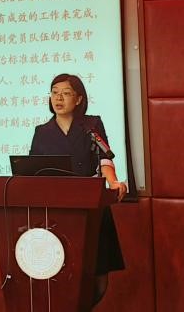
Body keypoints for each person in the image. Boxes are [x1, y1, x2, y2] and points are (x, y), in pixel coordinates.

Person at [29, 73, 126, 306]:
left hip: (91, 207)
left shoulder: (91, 125)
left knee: (99, 280)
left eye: (65, 93)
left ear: (79, 99)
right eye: (54, 93)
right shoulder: (42, 132)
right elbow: (31, 170)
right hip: (57, 212)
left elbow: (104, 159)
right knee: (65, 276)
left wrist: (113, 181)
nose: (58, 98)